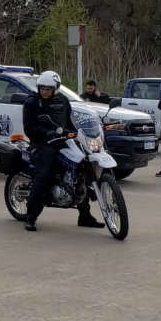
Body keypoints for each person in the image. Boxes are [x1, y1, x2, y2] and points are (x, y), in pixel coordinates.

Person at [22, 71, 105, 232]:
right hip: (42, 143)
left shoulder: (62, 100)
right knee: (43, 176)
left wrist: (80, 133)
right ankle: (31, 217)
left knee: (83, 169)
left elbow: (70, 122)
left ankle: (85, 216)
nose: (45, 91)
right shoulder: (32, 102)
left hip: (62, 141)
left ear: (55, 89)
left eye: (48, 89)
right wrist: (46, 133)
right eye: (42, 88)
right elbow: (29, 128)